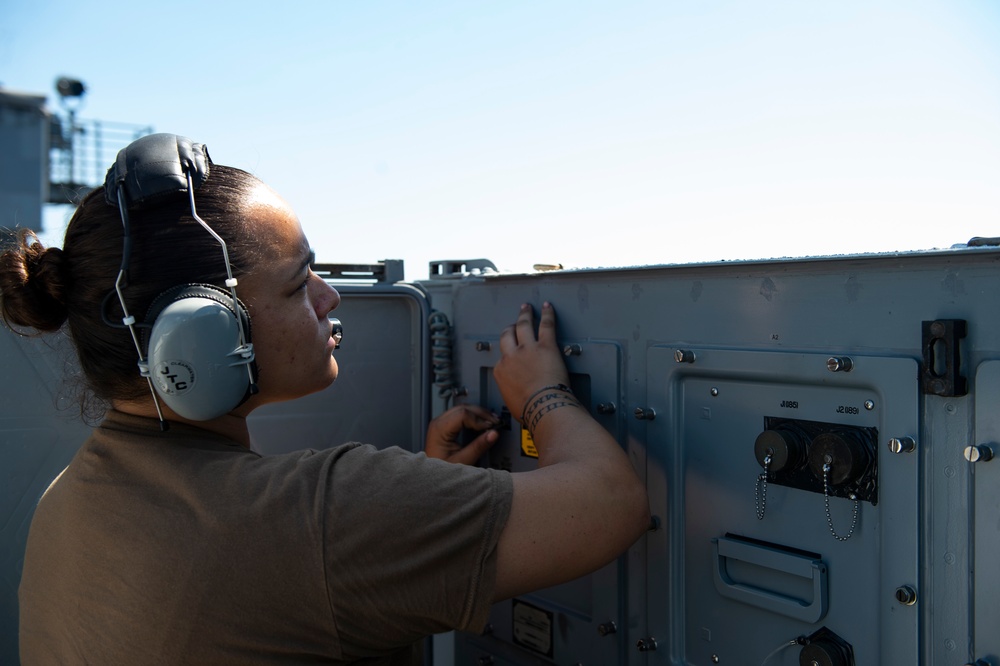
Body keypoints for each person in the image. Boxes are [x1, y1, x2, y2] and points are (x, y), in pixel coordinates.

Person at [2, 134, 649, 664]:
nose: (328, 297)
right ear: (199, 337)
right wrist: (541, 395)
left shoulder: (66, 499)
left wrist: (422, 506)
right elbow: (611, 505)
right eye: (295, 284)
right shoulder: (322, 514)